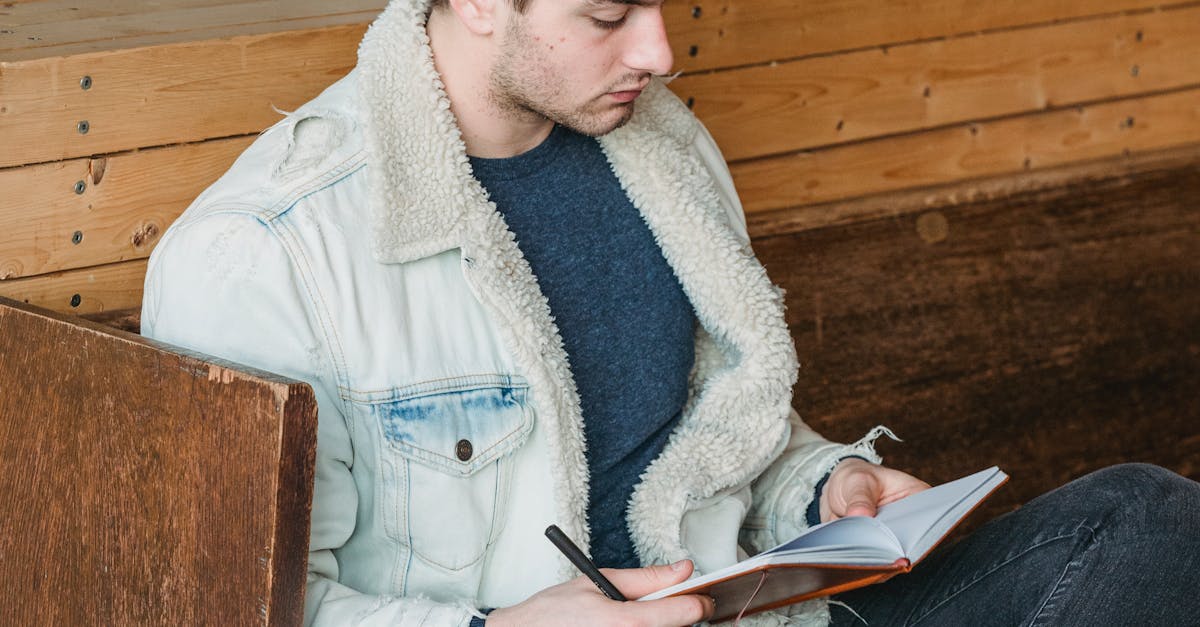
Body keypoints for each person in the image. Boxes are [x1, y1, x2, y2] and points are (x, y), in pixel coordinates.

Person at [141, 0, 1200, 625]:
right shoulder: (264, 254)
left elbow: (709, 438)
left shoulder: (662, 151)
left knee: (1149, 522)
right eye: (607, 14)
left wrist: (823, 486)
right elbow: (234, 611)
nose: (657, 51)